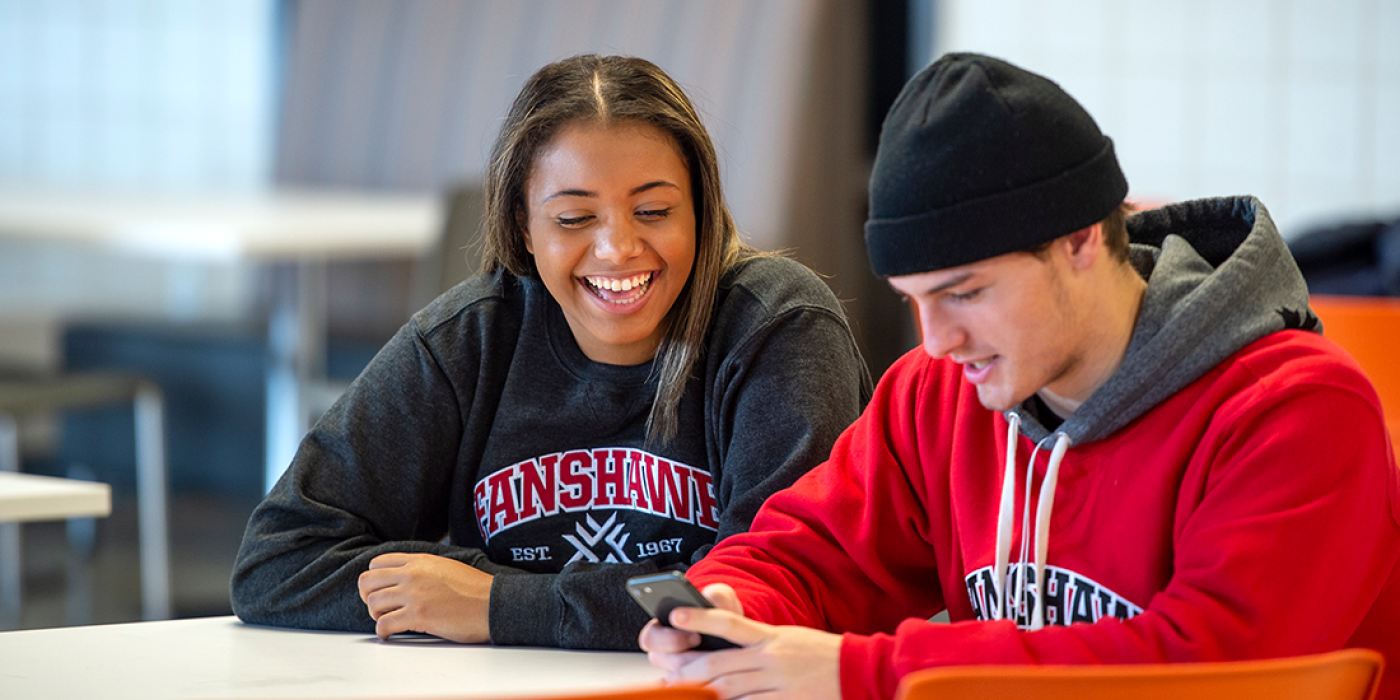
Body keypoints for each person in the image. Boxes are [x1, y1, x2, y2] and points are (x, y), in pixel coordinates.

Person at [640, 52, 1400, 700]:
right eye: (913, 300)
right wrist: (733, 604)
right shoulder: (935, 393)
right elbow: (810, 555)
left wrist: (864, 673)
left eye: (966, 293)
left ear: (1079, 241)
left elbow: (1216, 667)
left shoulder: (1299, 411)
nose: (938, 341)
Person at [230, 54, 871, 650]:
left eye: (653, 211)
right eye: (573, 219)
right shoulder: (472, 337)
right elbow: (278, 561)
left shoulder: (778, 327)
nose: (617, 249)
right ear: (523, 227)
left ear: (701, 212)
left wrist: (496, 603)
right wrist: (462, 597)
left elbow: (769, 597)